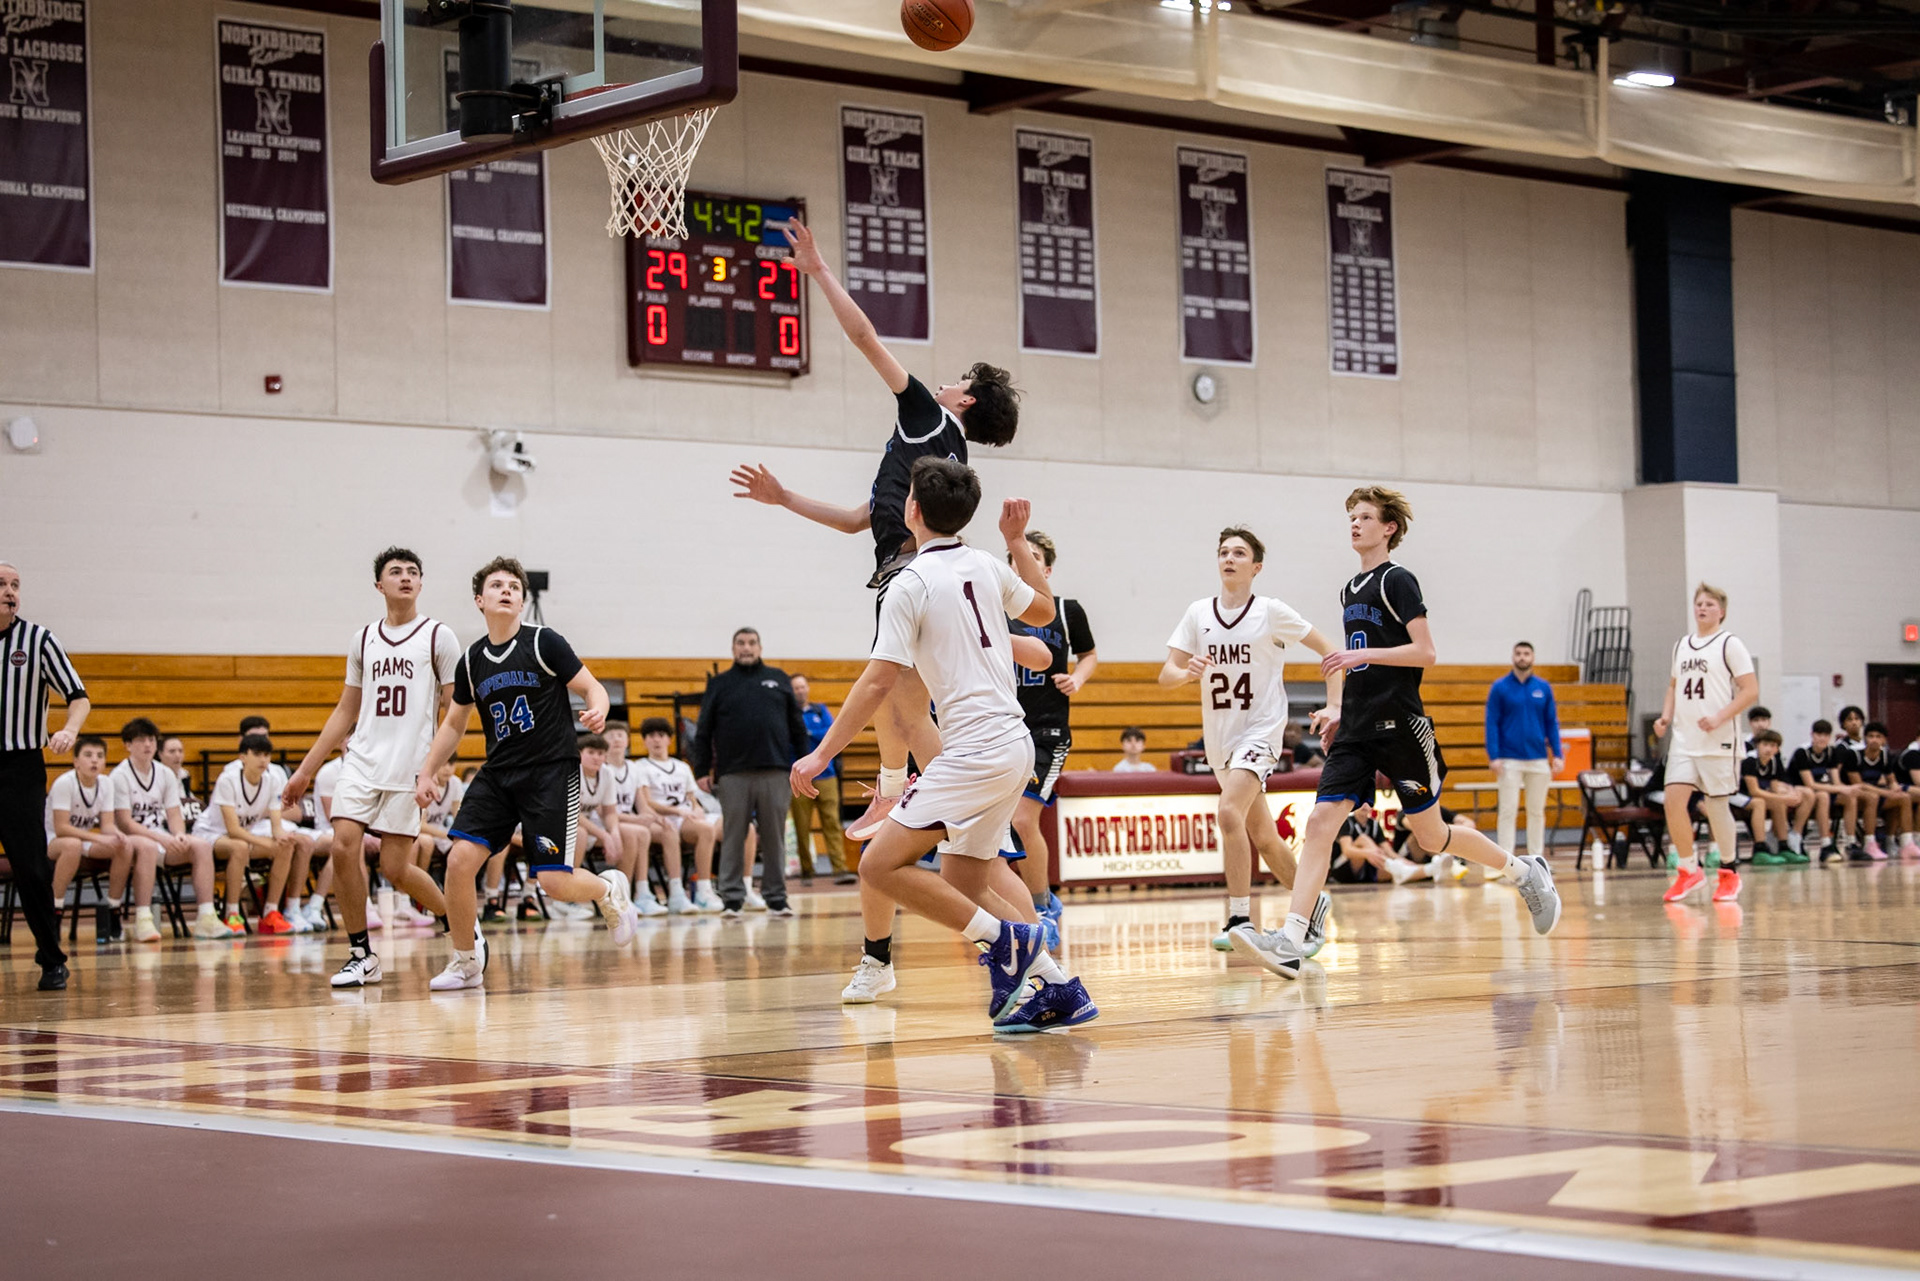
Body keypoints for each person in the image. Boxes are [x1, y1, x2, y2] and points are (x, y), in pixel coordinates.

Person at [731, 216, 1020, 842]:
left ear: (965, 400)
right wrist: (782, 498)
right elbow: (854, 520)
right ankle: (919, 800)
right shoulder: (940, 458)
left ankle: (957, 810)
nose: (945, 382)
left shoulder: (928, 418)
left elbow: (863, 336)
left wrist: (818, 271)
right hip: (912, 567)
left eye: (958, 382)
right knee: (901, 704)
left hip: (913, 571)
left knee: (898, 699)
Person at [790, 459, 1095, 1032]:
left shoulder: (909, 584)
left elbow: (878, 683)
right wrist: (1016, 541)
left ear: (911, 510)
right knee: (962, 879)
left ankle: (1006, 941)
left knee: (879, 865)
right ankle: (1059, 987)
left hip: (974, 750)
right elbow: (1045, 611)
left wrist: (822, 753)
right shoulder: (986, 563)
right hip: (1013, 744)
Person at [1232, 488, 1563, 980]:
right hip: (1357, 727)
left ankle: (1524, 871)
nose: (1355, 524)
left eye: (1365, 517)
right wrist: (1339, 710)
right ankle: (1292, 940)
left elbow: (1426, 652)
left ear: (1388, 528)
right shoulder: (1349, 590)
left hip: (1402, 725)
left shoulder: (1398, 580)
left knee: (1432, 836)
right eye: (1351, 517)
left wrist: (1363, 656)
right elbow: (1359, 665)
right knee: (1320, 823)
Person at [413, 557, 639, 991]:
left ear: (520, 601)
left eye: (514, 587)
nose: (507, 590)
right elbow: (454, 723)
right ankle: (465, 960)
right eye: (497, 585)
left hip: (550, 772)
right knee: (458, 861)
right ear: (479, 600)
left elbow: (591, 686)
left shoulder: (543, 642)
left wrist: (598, 709)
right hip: (499, 773)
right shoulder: (471, 660)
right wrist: (427, 772)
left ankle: (607, 889)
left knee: (554, 882)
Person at [283, 547, 463, 986]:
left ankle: (460, 922)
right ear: (379, 585)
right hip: (362, 760)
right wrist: (305, 770)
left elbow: (455, 713)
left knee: (396, 869)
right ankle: (361, 954)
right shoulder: (363, 639)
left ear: (421, 584)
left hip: (409, 766)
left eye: (413, 572)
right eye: (396, 572)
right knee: (344, 845)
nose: (406, 577)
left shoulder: (439, 636)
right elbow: (345, 710)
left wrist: (431, 769)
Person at [1161, 526, 1338, 954]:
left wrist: (1335, 705)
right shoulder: (1198, 613)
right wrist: (1187, 673)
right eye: (1224, 552)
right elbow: (1166, 675)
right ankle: (1313, 905)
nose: (1229, 558)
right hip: (1220, 739)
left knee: (1227, 813)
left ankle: (1239, 918)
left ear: (1256, 567)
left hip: (1260, 731)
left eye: (1239, 553)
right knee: (1264, 836)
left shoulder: (1271, 612)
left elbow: (1330, 652)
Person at [0, 560, 91, 990]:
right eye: (2, 584)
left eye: (16, 584)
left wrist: (69, 729)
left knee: (32, 867)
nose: (10, 591)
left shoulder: (38, 640)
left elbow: (79, 696)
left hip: (19, 766)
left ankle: (52, 959)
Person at [1006, 529, 1098, 928]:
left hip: (1048, 731)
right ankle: (1016, 910)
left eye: (1032, 556)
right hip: (1004, 731)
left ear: (1046, 570)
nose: (1022, 562)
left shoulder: (1065, 610)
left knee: (1024, 819)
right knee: (998, 824)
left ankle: (1042, 907)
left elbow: (1089, 654)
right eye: (1016, 555)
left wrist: (1077, 678)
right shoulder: (993, 610)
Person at [1656, 584, 1761, 904]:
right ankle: (1689, 870)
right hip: (1684, 739)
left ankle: (1729, 872)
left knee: (1716, 805)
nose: (1702, 608)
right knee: (1673, 799)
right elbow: (1673, 686)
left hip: (1719, 739)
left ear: (1721, 611)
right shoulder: (1681, 645)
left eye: (1709, 604)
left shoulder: (1730, 644)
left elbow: (1750, 690)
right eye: (1698, 603)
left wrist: (1719, 717)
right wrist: (1665, 716)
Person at [690, 628, 805, 918]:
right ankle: (731, 899)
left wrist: (805, 764)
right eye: (740, 643)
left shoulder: (779, 679)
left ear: (760, 648)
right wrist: (701, 769)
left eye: (752, 643)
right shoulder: (720, 684)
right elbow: (704, 730)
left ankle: (776, 898)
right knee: (733, 835)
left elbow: (797, 727)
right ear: (733, 649)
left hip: (776, 771)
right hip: (733, 774)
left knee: (774, 837)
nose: (746, 648)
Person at [110, 717, 227, 940]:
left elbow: (174, 814)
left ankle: (207, 917)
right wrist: (161, 839)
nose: (148, 745)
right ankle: (143, 919)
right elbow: (125, 823)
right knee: (147, 847)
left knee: (201, 846)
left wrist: (179, 834)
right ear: (128, 745)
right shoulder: (119, 776)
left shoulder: (164, 773)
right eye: (141, 740)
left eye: (151, 740)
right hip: (129, 840)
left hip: (159, 836)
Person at [191, 733, 301, 934]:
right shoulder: (228, 780)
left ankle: (271, 913)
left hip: (243, 835)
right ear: (243, 757)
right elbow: (233, 830)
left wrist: (282, 837)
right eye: (257, 754)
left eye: (267, 755)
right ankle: (232, 914)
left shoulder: (272, 780)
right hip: (211, 834)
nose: (263, 760)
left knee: (285, 847)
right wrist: (266, 844)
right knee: (240, 847)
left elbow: (276, 826)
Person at [46, 735, 133, 938]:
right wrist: (99, 838)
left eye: (100, 756)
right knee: (72, 845)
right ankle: (55, 910)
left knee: (124, 845)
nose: (94, 760)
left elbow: (107, 825)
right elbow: (61, 828)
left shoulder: (106, 783)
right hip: (52, 840)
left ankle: (113, 908)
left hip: (82, 839)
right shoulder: (64, 783)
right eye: (88, 755)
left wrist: (118, 835)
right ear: (76, 762)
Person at [1485, 641, 1565, 861]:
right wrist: (1494, 755)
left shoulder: (1543, 688)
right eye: (1518, 653)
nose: (1522, 657)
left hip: (1538, 758)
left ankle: (1537, 859)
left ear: (1533, 657)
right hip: (1509, 759)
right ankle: (1506, 860)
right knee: (1507, 810)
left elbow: (1551, 723)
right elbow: (1492, 722)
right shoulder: (1500, 687)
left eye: (1526, 653)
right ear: (1513, 657)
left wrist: (1558, 754)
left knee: (1537, 811)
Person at [635, 717, 719, 914]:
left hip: (683, 816)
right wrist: (677, 811)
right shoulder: (641, 766)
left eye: (661, 735)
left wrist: (697, 808)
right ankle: (682, 893)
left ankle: (712, 890)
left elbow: (692, 798)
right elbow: (647, 802)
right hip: (659, 818)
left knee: (720, 828)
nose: (656, 740)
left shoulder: (681, 767)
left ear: (669, 739)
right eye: (651, 736)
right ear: (644, 741)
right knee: (684, 830)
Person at [789, 675, 857, 885]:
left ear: (807, 688)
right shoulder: (788, 714)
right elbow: (789, 740)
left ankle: (840, 869)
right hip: (799, 778)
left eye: (802, 686)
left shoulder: (820, 710)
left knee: (832, 823)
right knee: (801, 826)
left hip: (827, 776)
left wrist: (807, 732)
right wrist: (811, 735)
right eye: (796, 688)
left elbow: (830, 734)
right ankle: (806, 872)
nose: (800, 691)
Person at [600, 721, 670, 915]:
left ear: (628, 740)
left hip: (627, 821)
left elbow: (642, 805)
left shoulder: (633, 767)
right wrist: (638, 820)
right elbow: (603, 812)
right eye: (611, 735)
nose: (616, 739)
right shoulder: (601, 768)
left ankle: (642, 892)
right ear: (603, 741)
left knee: (645, 831)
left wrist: (656, 818)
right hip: (605, 823)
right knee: (635, 832)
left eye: (620, 735)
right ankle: (621, 896)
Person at [1789, 720, 1855, 863]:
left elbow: (1836, 781)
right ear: (1812, 735)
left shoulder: (1831, 752)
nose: (1822, 738)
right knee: (1822, 795)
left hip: (1820, 792)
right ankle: (1824, 843)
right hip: (1798, 791)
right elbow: (1810, 784)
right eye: (1819, 734)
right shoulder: (1802, 752)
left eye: (1826, 735)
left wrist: (1847, 789)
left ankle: (1852, 842)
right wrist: (1841, 788)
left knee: (1849, 797)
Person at [1741, 730, 1811, 864]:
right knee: (1760, 803)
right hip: (1738, 794)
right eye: (1765, 745)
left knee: (1778, 803)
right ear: (1757, 745)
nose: (1769, 749)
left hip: (1755, 795)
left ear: (1777, 749)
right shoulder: (1749, 760)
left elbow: (1774, 788)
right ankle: (1760, 849)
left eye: (1773, 745)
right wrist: (1783, 798)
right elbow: (1754, 791)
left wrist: (1788, 795)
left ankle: (1784, 846)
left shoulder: (1774, 762)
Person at [1850, 722, 1915, 860]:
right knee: (1872, 797)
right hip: (1857, 796)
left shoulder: (1885, 756)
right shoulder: (1854, 756)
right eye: (1871, 736)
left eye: (1878, 736)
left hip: (1877, 794)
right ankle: (1869, 843)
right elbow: (1859, 784)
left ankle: (1903, 843)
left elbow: (1891, 780)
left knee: (1904, 797)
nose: (1874, 739)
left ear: (1884, 740)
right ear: (1865, 738)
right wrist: (1886, 793)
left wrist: (1895, 788)